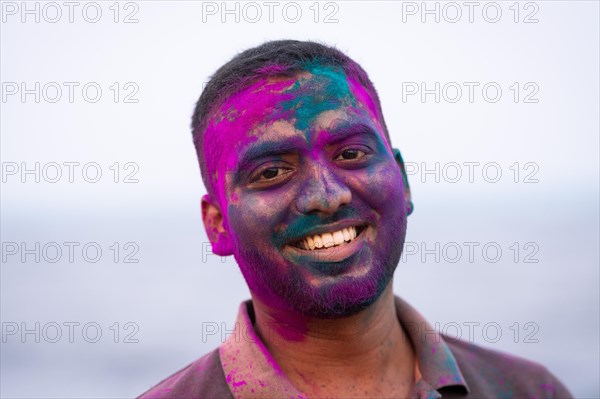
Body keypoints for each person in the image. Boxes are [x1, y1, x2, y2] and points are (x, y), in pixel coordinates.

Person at [139, 40, 573, 399]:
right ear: (217, 225)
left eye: (351, 154)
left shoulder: (530, 390)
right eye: (271, 172)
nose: (327, 196)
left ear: (403, 182)